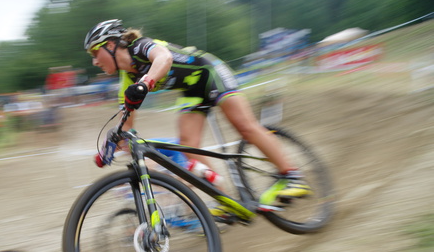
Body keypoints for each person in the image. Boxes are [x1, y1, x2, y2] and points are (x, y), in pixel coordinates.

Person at [84, 19, 311, 222]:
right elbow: (127, 125)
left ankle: (291, 176)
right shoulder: (126, 80)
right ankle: (225, 200)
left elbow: (164, 58)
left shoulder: (139, 46)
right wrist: (111, 143)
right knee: (187, 145)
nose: (95, 62)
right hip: (193, 92)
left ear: (111, 45)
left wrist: (146, 82)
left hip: (210, 72)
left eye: (95, 54)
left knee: (244, 126)